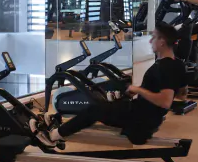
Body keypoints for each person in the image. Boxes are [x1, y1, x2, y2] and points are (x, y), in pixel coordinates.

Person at [32, 21, 185, 146]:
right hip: (143, 113)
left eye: (154, 37)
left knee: (95, 109)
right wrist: (140, 91)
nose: (151, 41)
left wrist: (139, 90)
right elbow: (182, 94)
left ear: (163, 42)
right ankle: (57, 121)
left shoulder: (165, 67)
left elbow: (165, 101)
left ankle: (52, 136)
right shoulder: (177, 64)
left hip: (140, 120)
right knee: (103, 102)